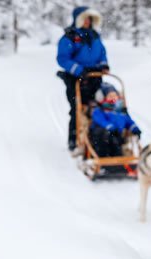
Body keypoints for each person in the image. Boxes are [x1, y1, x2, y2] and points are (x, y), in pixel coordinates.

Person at [56, 6, 109, 152]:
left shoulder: (95, 36)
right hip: (75, 79)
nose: (87, 21)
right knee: (77, 109)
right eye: (85, 18)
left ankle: (96, 139)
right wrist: (79, 70)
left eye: (90, 19)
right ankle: (73, 139)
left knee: (96, 107)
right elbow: (62, 59)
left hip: (94, 77)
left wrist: (104, 65)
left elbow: (102, 52)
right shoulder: (70, 37)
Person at [88, 83, 141, 157]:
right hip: (101, 136)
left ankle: (118, 160)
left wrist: (134, 128)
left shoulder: (121, 111)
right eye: (110, 96)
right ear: (104, 97)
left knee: (118, 143)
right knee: (105, 136)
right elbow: (101, 121)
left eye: (114, 95)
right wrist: (110, 127)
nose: (113, 98)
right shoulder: (99, 110)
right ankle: (103, 159)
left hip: (117, 136)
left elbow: (128, 121)